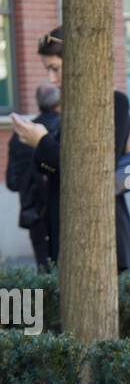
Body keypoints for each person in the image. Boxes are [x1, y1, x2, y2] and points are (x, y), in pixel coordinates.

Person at [9, 27, 130, 271]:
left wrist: (42, 142)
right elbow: (53, 168)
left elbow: (90, 170)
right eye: (48, 70)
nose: (52, 80)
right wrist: (35, 145)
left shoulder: (114, 103)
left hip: (102, 236)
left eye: (55, 69)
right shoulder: (67, 109)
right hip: (64, 234)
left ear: (79, 61)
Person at [5, 82, 61, 270]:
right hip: (60, 211)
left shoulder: (21, 134)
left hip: (33, 213)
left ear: (37, 102)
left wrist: (27, 182)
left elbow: (12, 182)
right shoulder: (64, 129)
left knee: (45, 271)